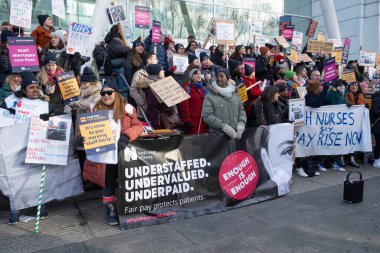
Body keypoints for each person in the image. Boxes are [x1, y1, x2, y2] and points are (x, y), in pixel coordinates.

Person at [87, 80, 143, 225]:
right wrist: (83, 138)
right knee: (108, 181)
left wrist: (127, 136)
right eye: (103, 93)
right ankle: (111, 208)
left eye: (109, 92)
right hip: (104, 154)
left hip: (122, 152)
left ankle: (129, 207)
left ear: (116, 93)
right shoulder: (94, 109)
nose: (106, 95)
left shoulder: (128, 109)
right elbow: (83, 130)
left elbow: (138, 126)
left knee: (127, 182)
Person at [2, 71, 52, 224]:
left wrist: (49, 117)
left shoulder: (44, 104)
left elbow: (55, 125)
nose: (36, 90)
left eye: (37, 87)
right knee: (14, 180)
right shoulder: (10, 101)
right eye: (32, 87)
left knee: (36, 178)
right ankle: (14, 211)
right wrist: (5, 113)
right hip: (13, 147)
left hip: (35, 146)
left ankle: (40, 208)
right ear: (23, 90)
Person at [202, 68, 246, 138]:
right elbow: (207, 116)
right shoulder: (209, 96)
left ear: (227, 79)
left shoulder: (235, 95)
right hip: (217, 137)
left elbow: (241, 110)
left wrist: (241, 123)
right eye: (217, 77)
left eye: (222, 76)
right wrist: (224, 127)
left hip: (235, 136)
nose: (219, 79)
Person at [140, 64, 181, 129]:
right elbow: (155, 103)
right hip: (158, 119)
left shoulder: (160, 84)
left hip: (162, 117)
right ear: (157, 72)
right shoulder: (153, 86)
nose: (163, 71)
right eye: (161, 70)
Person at [104, 25, 131, 100]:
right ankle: (124, 103)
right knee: (123, 87)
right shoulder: (115, 40)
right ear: (118, 30)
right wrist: (128, 48)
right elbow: (119, 50)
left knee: (122, 86)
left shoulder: (113, 40)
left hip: (117, 65)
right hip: (119, 66)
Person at [180, 69, 208, 135]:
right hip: (192, 122)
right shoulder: (186, 88)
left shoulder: (204, 88)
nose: (198, 75)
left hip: (203, 121)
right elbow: (184, 106)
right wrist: (187, 120)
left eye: (199, 73)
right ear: (191, 77)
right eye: (195, 74)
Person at [130, 52, 158, 118]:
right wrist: (143, 103)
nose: (157, 60)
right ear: (149, 60)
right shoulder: (139, 73)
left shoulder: (158, 72)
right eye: (155, 59)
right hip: (145, 111)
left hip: (157, 110)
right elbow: (133, 91)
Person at [346, 82, 365, 167]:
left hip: (357, 122)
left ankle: (352, 158)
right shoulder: (346, 95)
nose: (354, 87)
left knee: (354, 139)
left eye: (356, 85)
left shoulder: (361, 95)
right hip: (348, 122)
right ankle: (345, 158)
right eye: (352, 85)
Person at [371, 90, 380, 168]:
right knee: (379, 144)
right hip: (378, 125)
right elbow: (374, 110)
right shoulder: (377, 99)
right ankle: (376, 160)